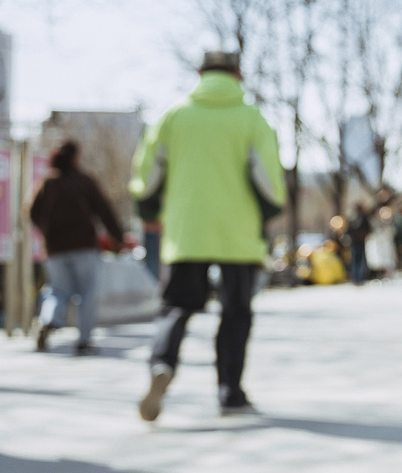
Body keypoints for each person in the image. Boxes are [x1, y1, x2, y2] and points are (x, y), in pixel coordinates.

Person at [131, 50, 285, 420]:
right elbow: (269, 181)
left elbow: (148, 173)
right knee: (236, 313)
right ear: (238, 74)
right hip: (238, 234)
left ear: (200, 73)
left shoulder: (174, 116)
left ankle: (162, 364)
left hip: (187, 232)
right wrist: (269, 212)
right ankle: (230, 392)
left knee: (177, 306)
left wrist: (147, 210)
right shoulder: (252, 119)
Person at [29, 139, 127, 354]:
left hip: (55, 249)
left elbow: (32, 212)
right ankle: (84, 340)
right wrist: (117, 237)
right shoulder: (84, 180)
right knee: (87, 292)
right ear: (75, 157)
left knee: (57, 290)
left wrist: (48, 231)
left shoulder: (47, 182)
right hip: (83, 246)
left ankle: (48, 320)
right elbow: (104, 209)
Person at [345, 204, 373, 285]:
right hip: (360, 242)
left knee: (355, 260)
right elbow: (368, 229)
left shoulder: (352, 217)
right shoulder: (362, 217)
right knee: (360, 260)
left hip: (355, 242)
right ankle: (359, 278)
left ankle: (356, 278)